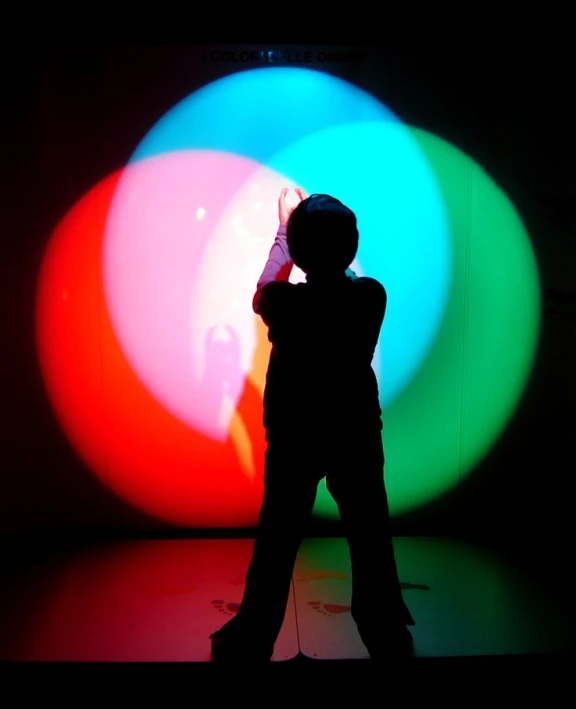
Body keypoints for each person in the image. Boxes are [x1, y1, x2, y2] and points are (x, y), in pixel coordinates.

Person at [210, 188, 415, 662]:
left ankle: (253, 636)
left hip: (294, 439)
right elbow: (337, 275)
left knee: (277, 543)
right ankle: (387, 635)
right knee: (370, 539)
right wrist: (310, 235)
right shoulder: (370, 296)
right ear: (352, 247)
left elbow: (266, 288)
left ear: (300, 254)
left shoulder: (282, 303)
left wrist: (285, 229)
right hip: (354, 436)